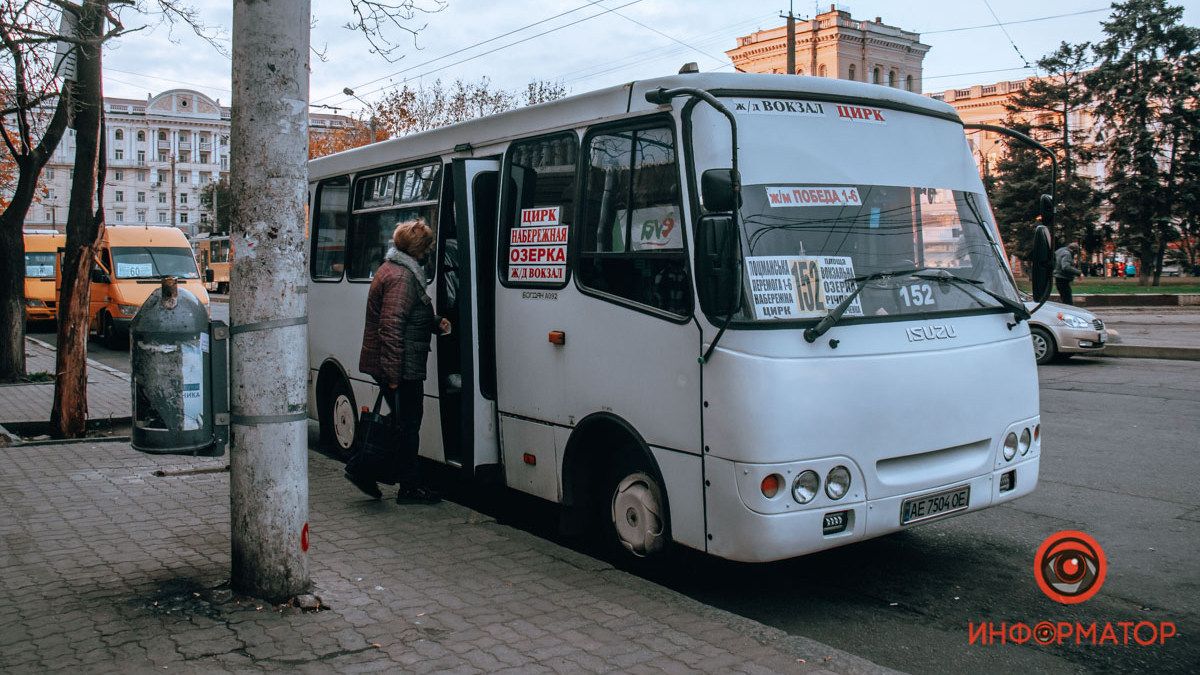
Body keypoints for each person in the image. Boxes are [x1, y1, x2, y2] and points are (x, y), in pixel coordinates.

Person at [347, 218, 451, 504]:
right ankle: (402, 485)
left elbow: (404, 317)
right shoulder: (403, 277)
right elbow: (391, 327)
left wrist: (434, 322)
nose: (430, 250)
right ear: (418, 248)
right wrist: (393, 375)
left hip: (400, 364)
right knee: (407, 426)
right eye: (427, 245)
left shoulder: (396, 270)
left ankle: (375, 473)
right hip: (401, 367)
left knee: (400, 424)